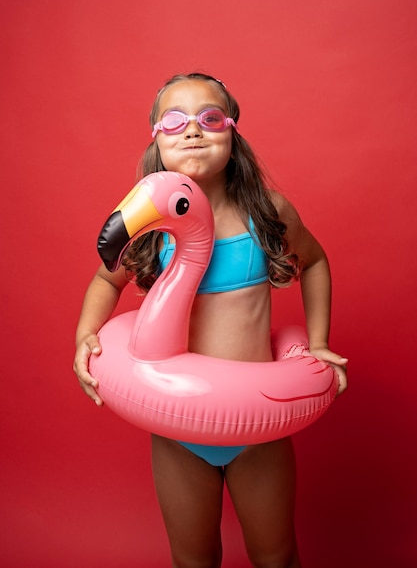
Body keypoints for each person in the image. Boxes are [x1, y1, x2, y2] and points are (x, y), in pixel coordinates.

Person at [74, 72, 348, 568]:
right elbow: (105, 280)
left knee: (276, 555)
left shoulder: (266, 212)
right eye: (174, 120)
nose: (193, 130)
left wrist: (319, 340)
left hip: (257, 431)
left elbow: (317, 261)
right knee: (193, 559)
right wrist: (84, 337)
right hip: (179, 432)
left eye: (211, 118)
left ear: (233, 133)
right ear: (156, 138)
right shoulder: (152, 223)